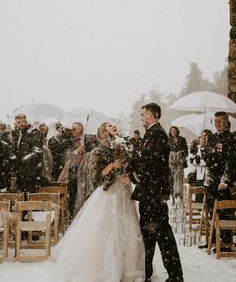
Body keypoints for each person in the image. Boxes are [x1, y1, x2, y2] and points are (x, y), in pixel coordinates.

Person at [50, 122, 145, 282]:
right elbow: (96, 176)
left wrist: (128, 173)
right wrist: (112, 167)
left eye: (115, 125)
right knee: (108, 228)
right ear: (103, 131)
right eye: (109, 125)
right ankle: (105, 269)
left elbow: (130, 166)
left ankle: (127, 269)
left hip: (124, 192)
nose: (114, 126)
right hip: (110, 192)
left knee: (127, 227)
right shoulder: (98, 150)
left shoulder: (125, 146)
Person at [129, 103, 183, 282]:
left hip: (153, 194)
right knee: (149, 235)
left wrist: (133, 176)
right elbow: (147, 160)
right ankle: (147, 272)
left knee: (161, 234)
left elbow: (152, 165)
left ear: (151, 116)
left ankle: (174, 276)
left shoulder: (157, 134)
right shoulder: (152, 133)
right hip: (151, 193)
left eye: (143, 114)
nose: (141, 117)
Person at [199, 112, 236, 251]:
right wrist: (202, 147)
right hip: (211, 181)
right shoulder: (213, 138)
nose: (217, 124)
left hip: (222, 182)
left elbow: (231, 161)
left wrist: (225, 180)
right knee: (212, 212)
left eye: (220, 121)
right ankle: (213, 240)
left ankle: (225, 243)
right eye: (215, 121)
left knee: (224, 211)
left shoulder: (231, 138)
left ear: (226, 122)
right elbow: (208, 159)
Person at [168, 126, 188, 204]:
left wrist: (180, 156)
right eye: (171, 130)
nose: (173, 132)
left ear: (177, 131)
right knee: (171, 180)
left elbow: (186, 151)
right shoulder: (168, 140)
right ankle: (172, 197)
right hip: (171, 163)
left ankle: (180, 196)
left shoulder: (182, 139)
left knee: (180, 179)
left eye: (174, 130)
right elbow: (166, 151)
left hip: (180, 163)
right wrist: (171, 155)